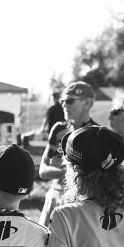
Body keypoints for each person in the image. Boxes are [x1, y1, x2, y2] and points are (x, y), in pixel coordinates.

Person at [38, 81, 98, 227]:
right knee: (42, 244)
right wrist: (73, 171)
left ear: (88, 103)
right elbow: (43, 171)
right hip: (56, 194)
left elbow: (96, 177)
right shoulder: (58, 129)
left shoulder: (97, 134)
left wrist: (60, 171)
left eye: (69, 101)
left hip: (82, 201)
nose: (64, 105)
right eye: (62, 101)